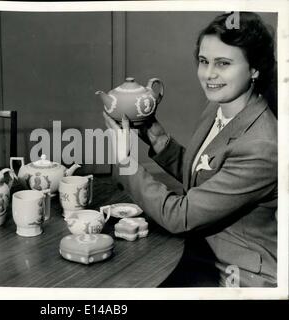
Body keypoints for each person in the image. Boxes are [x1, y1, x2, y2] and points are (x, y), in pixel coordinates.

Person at [104, 12, 277, 287]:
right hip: (199, 253)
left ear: (255, 68)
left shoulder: (263, 147)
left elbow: (180, 216)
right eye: (204, 61)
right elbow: (207, 174)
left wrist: (125, 160)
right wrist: (152, 132)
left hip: (239, 277)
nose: (209, 74)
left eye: (223, 63)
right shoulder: (218, 107)